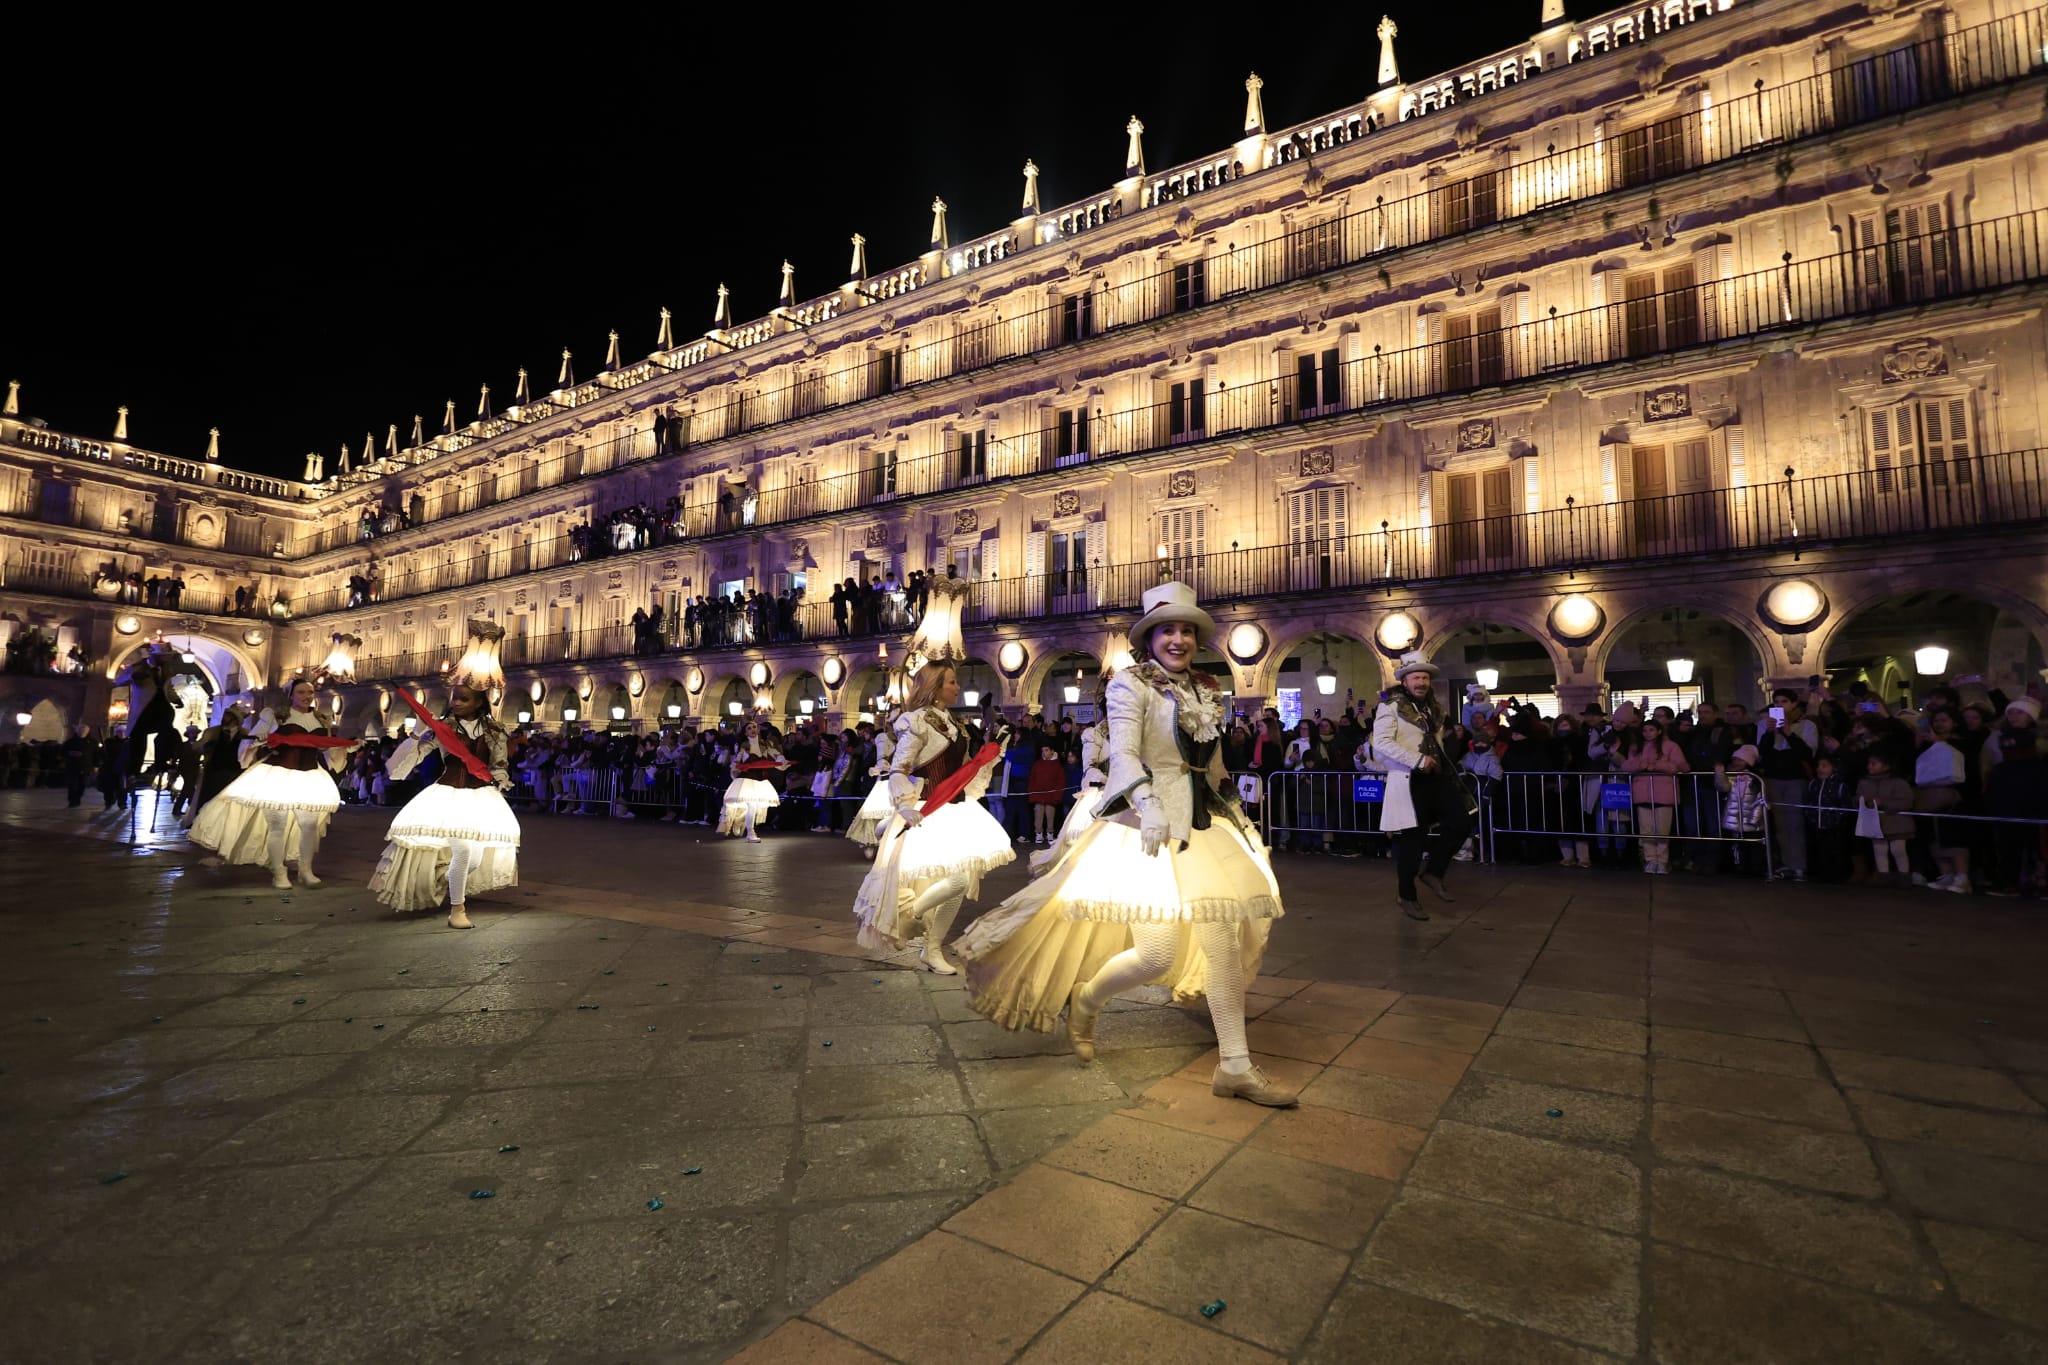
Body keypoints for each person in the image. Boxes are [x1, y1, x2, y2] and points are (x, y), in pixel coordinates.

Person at [956, 580, 1293, 1107]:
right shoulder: (1130, 685)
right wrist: (1150, 804)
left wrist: (1235, 811)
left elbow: (1213, 763)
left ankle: (1235, 1066)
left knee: (1221, 941)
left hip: (1203, 828)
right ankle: (1087, 1000)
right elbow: (1126, 755)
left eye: (1187, 631)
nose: (1178, 639)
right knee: (1156, 956)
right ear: (1149, 638)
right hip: (1144, 829)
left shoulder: (1207, 689)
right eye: (1167, 630)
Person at [853, 590, 1015, 974]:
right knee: (955, 880)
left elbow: (966, 773)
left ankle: (933, 947)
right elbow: (900, 768)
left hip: (956, 808)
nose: (957, 688)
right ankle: (911, 916)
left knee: (959, 880)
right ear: (936, 686)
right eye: (952, 682)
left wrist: (993, 756)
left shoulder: (956, 723)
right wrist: (904, 805)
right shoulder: (916, 722)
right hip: (928, 810)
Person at [369, 622, 521, 928]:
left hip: (481, 797)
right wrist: (418, 737)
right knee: (463, 851)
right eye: (454, 698)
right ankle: (457, 910)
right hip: (449, 795)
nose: (456, 703)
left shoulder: (494, 729)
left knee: (474, 859)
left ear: (479, 702)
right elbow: (409, 760)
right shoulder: (442, 728)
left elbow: (498, 762)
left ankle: (445, 881)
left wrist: (502, 776)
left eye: (463, 699)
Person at [190, 677, 354, 889]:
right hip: (277, 774)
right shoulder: (276, 716)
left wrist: (343, 747)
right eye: (301, 692)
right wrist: (262, 740)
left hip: (309, 775)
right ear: (292, 695)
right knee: (278, 825)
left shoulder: (321, 719)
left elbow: (326, 747)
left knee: (309, 824)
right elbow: (251, 741)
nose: (306, 696)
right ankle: (278, 871)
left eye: (310, 692)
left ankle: (305, 869)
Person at [1374, 652, 1475, 921]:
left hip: (1437, 777)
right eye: (1416, 677)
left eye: (1425, 678)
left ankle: (1433, 872)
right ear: (1405, 681)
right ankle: (1407, 896)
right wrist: (1417, 760)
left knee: (1461, 823)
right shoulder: (1390, 707)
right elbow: (1381, 743)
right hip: (1410, 779)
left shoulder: (1433, 709)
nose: (1421, 682)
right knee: (1413, 842)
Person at [1622, 715, 1689, 875]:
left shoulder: (1670, 746)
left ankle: (1662, 860)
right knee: (1646, 829)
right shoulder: (1636, 747)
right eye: (1645, 730)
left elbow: (1681, 767)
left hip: (1663, 793)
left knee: (1662, 829)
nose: (1647, 733)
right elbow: (1627, 766)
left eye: (1651, 730)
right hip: (1642, 792)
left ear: (1659, 731)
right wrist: (1640, 765)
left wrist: (1656, 765)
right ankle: (1651, 859)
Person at [1856, 750, 1916, 886]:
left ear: (1886, 766)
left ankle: (1904, 876)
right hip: (1875, 823)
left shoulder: (1899, 783)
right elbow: (1857, 797)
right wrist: (1861, 800)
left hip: (1897, 823)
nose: (1869, 766)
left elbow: (1907, 802)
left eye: (1874, 763)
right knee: (1879, 849)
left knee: (1898, 850)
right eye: (1869, 763)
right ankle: (1883, 876)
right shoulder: (1864, 783)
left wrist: (1883, 803)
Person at [719, 721, 784, 843]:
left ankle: (745, 825)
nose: (753, 729)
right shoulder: (744, 746)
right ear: (745, 732)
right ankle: (750, 832)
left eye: (754, 727)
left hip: (761, 780)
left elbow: (776, 755)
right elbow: (736, 761)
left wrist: (782, 760)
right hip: (747, 780)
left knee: (754, 807)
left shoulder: (765, 745)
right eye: (749, 728)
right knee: (752, 805)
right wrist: (736, 767)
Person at [846, 720, 897, 857]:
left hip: (899, 780)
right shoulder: (883, 737)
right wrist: (880, 768)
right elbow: (881, 760)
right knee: (874, 814)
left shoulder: (905, 737)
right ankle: (870, 842)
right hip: (885, 781)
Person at [1027, 744, 1067, 846]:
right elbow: (1032, 779)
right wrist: (1032, 793)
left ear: (1052, 751)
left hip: (1051, 796)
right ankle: (1038, 834)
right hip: (1039, 795)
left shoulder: (1057, 765)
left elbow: (1060, 782)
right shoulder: (1037, 764)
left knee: (1050, 815)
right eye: (1043, 751)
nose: (1044, 753)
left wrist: (1057, 796)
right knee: (1038, 815)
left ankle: (1050, 833)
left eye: (1046, 750)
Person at [61, 723, 94, 807]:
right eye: (81, 730)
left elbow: (96, 754)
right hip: (73, 767)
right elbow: (62, 752)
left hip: (85, 767)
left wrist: (96, 765)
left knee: (82, 785)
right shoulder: (70, 742)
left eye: (85, 731)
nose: (83, 732)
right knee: (73, 785)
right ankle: (72, 801)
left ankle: (78, 798)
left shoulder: (91, 742)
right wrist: (70, 754)